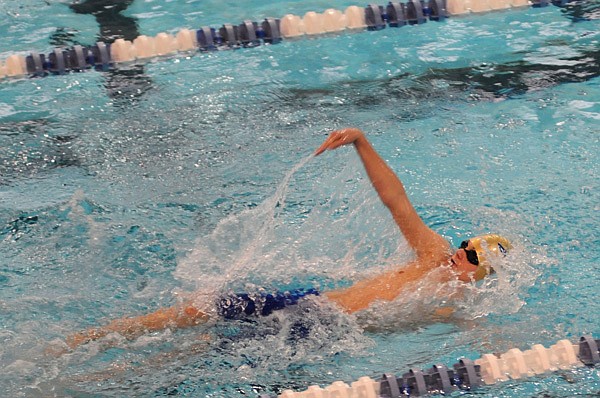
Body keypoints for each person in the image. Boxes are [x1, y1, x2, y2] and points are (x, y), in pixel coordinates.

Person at [65, 127, 510, 350]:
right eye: (465, 243)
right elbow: (396, 201)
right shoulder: (432, 256)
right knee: (201, 306)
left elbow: (484, 343)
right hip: (312, 300)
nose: (459, 251)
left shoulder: (459, 306)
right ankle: (80, 340)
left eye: (470, 254)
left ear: (483, 272)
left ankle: (90, 383)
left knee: (200, 349)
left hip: (322, 331)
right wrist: (361, 141)